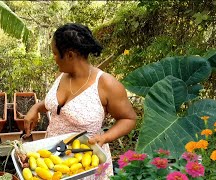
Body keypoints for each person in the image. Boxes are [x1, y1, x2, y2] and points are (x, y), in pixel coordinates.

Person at [24, 23, 137, 179]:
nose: (54, 58)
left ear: (70, 55)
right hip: (52, 157)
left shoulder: (107, 84)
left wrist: (104, 138)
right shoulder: (63, 75)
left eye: (55, 54)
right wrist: (36, 107)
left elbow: (129, 119)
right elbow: (57, 106)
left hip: (83, 162)